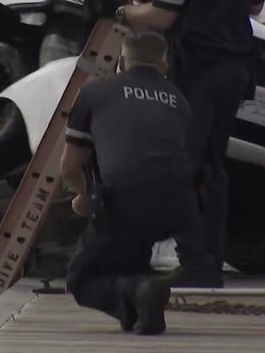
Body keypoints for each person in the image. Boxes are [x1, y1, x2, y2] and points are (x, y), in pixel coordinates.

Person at [87, 0, 265, 288]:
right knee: (216, 165)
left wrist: (115, 9)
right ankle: (214, 256)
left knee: (184, 164)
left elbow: (162, 16)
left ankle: (196, 260)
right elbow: (255, 7)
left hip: (198, 71)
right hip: (237, 67)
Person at [61, 30, 202, 335]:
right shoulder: (178, 99)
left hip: (127, 202)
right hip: (181, 206)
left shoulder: (94, 93)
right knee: (131, 249)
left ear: (122, 62)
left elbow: (69, 166)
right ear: (164, 66)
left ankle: (139, 292)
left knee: (81, 278)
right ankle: (140, 307)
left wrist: (84, 197)